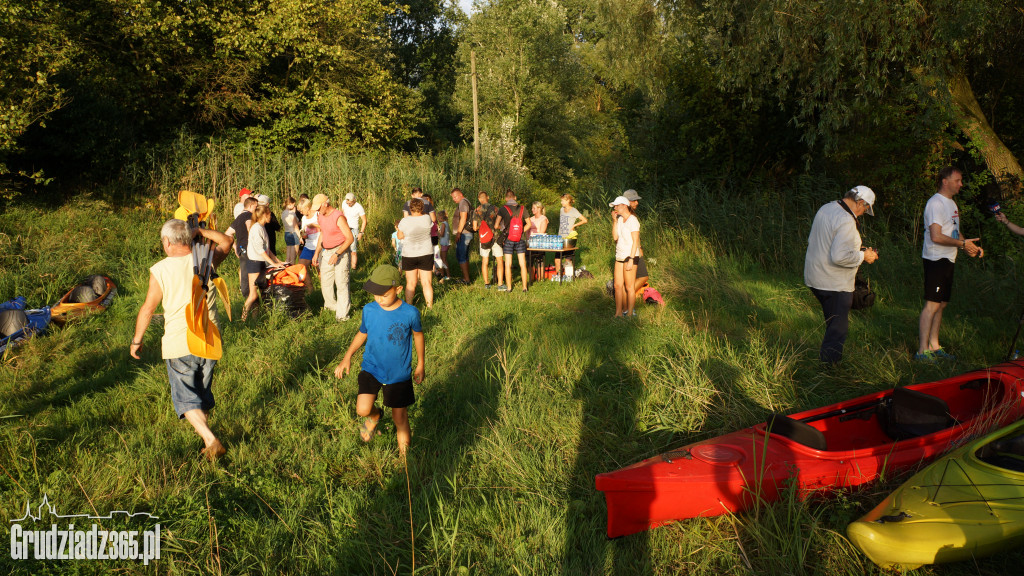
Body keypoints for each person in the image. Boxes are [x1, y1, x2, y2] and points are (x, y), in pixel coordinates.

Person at [131, 218, 233, 461]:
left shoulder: (160, 269)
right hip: (210, 337)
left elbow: (148, 309)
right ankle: (208, 445)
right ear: (188, 239)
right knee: (201, 394)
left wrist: (137, 340)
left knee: (186, 398)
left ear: (167, 242)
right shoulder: (205, 258)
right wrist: (201, 230)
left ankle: (210, 439)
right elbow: (227, 241)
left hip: (180, 341)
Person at [334, 265, 424, 456]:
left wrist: (421, 364)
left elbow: (418, 335)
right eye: (375, 294)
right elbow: (362, 333)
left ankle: (404, 461)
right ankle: (375, 416)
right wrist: (347, 357)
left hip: (398, 374)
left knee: (400, 418)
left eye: (384, 294)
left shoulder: (410, 313)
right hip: (371, 368)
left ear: (398, 289)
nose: (379, 299)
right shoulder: (369, 310)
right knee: (362, 409)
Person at [804, 186, 880, 364]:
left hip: (815, 277)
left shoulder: (827, 208)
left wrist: (857, 249)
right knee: (838, 330)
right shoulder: (846, 220)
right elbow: (839, 257)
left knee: (832, 323)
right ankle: (830, 370)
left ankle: (828, 363)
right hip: (833, 283)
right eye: (865, 209)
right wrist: (864, 255)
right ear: (861, 202)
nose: (862, 213)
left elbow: (826, 241)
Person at [917, 167, 984, 361]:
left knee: (942, 304)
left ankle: (934, 346)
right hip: (936, 258)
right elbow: (936, 236)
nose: (961, 184)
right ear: (945, 181)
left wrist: (968, 246)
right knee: (932, 304)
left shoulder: (952, 204)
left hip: (949, 258)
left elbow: (954, 232)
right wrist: (962, 244)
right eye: (958, 180)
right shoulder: (935, 203)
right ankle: (922, 352)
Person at [311, 194, 355, 321]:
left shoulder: (338, 216)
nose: (317, 211)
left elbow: (350, 238)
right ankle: (331, 307)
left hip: (340, 251)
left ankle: (342, 315)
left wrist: (338, 254)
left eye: (318, 208)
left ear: (325, 204)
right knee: (326, 282)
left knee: (341, 283)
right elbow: (323, 234)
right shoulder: (320, 217)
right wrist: (317, 252)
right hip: (326, 251)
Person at [242, 204, 286, 320]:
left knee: (264, 293)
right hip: (255, 263)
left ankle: (258, 319)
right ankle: (243, 319)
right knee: (253, 295)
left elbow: (268, 250)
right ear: (264, 215)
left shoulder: (262, 227)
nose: (271, 216)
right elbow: (261, 250)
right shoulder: (256, 228)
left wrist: (279, 261)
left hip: (262, 263)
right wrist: (273, 263)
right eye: (270, 214)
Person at [397, 198, 435, 309]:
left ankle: (409, 306)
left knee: (410, 283)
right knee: (427, 283)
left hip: (409, 254)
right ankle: (430, 307)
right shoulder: (427, 218)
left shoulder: (404, 221)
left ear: (410, 208)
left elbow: (399, 236)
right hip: (426, 253)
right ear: (422, 208)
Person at [611, 196, 641, 317]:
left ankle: (629, 313)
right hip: (620, 255)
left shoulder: (633, 220)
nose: (615, 208)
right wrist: (614, 221)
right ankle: (618, 313)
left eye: (617, 206)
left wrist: (631, 259)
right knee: (617, 285)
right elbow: (615, 238)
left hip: (630, 256)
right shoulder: (619, 220)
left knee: (629, 287)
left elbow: (635, 242)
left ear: (624, 205)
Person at [495, 189, 529, 292]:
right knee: (522, 264)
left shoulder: (502, 209)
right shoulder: (523, 209)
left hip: (508, 239)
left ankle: (509, 288)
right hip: (521, 239)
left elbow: (496, 225)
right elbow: (529, 224)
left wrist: (503, 229)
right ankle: (524, 287)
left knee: (508, 264)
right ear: (515, 198)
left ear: (506, 199)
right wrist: (520, 231)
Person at [226, 196, 257, 299]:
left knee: (244, 272)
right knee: (252, 272)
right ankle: (250, 298)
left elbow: (228, 234)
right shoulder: (249, 215)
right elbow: (249, 227)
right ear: (251, 205)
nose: (256, 209)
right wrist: (255, 243)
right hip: (249, 248)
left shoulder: (238, 218)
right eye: (256, 207)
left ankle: (247, 296)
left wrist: (235, 247)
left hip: (241, 249)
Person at [474, 191, 503, 288]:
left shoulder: (476, 210)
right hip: (495, 237)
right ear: (488, 197)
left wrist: (482, 227)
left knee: (485, 261)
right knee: (499, 261)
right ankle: (500, 284)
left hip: (484, 238)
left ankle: (487, 284)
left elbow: (475, 227)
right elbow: (500, 225)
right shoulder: (495, 209)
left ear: (479, 199)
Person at [623, 189, 648, 298]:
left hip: (634, 249)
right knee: (643, 276)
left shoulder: (630, 214)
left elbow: (636, 235)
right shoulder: (624, 216)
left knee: (637, 276)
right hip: (630, 251)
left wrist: (640, 247)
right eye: (634, 200)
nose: (637, 203)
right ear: (627, 202)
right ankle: (627, 295)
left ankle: (626, 294)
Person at [555, 193, 587, 277]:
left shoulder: (574, 210)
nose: (561, 202)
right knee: (557, 258)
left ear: (568, 200)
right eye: (561, 200)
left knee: (568, 259)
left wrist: (574, 225)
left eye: (562, 200)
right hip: (560, 237)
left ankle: (569, 277)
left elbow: (584, 220)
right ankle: (558, 276)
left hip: (569, 238)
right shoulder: (561, 209)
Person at [297, 196, 320, 294]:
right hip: (308, 245)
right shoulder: (303, 218)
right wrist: (302, 236)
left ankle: (324, 290)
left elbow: (325, 227)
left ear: (307, 208)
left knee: (320, 269)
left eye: (302, 211)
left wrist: (314, 225)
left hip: (319, 245)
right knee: (301, 266)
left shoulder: (317, 215)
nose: (301, 213)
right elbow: (304, 231)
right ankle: (310, 288)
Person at [450, 187, 474, 284]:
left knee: (461, 256)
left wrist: (459, 233)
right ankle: (466, 277)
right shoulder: (465, 202)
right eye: (453, 197)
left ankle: (466, 279)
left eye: (455, 196)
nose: (454, 199)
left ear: (460, 194)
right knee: (464, 256)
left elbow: (463, 218)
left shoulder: (463, 202)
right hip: (466, 233)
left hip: (464, 234)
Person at [342, 192, 367, 270]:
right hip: (345, 228)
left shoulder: (359, 207)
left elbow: (364, 221)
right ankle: (345, 267)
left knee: (353, 250)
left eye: (350, 203)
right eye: (347, 203)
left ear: (354, 200)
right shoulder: (344, 203)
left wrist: (361, 233)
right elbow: (342, 214)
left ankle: (353, 268)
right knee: (344, 248)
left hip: (354, 230)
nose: (348, 204)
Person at [257, 194, 281, 259]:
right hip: (270, 238)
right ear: (267, 204)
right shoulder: (270, 214)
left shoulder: (255, 214)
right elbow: (277, 227)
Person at [282, 196, 300, 265]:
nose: (294, 206)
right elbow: (295, 226)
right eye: (293, 204)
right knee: (293, 258)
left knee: (288, 257)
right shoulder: (292, 214)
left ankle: (286, 271)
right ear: (291, 204)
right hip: (293, 233)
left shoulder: (283, 213)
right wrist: (300, 236)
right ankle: (292, 272)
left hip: (286, 233)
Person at [436, 210, 452, 280]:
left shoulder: (443, 224)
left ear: (441, 217)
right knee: (443, 259)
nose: (438, 218)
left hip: (444, 244)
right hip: (447, 243)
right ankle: (445, 274)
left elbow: (442, 234)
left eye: (438, 217)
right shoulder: (446, 223)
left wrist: (437, 232)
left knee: (444, 259)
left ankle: (448, 275)